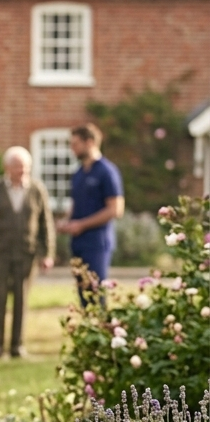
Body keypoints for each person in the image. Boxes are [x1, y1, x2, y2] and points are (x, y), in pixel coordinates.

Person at [0, 146, 55, 358]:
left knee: (21, 301)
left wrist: (48, 254)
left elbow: (46, 223)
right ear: (7, 167)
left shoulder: (37, 190)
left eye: (26, 167)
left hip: (26, 254)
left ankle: (17, 346)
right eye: (18, 166)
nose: (22, 171)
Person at [57, 124, 124, 300]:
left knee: (96, 293)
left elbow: (115, 209)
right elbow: (75, 204)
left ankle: (101, 327)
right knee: (83, 295)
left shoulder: (106, 172)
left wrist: (82, 224)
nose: (72, 149)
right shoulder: (78, 173)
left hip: (97, 244)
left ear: (90, 142)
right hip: (78, 243)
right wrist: (66, 221)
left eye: (75, 144)